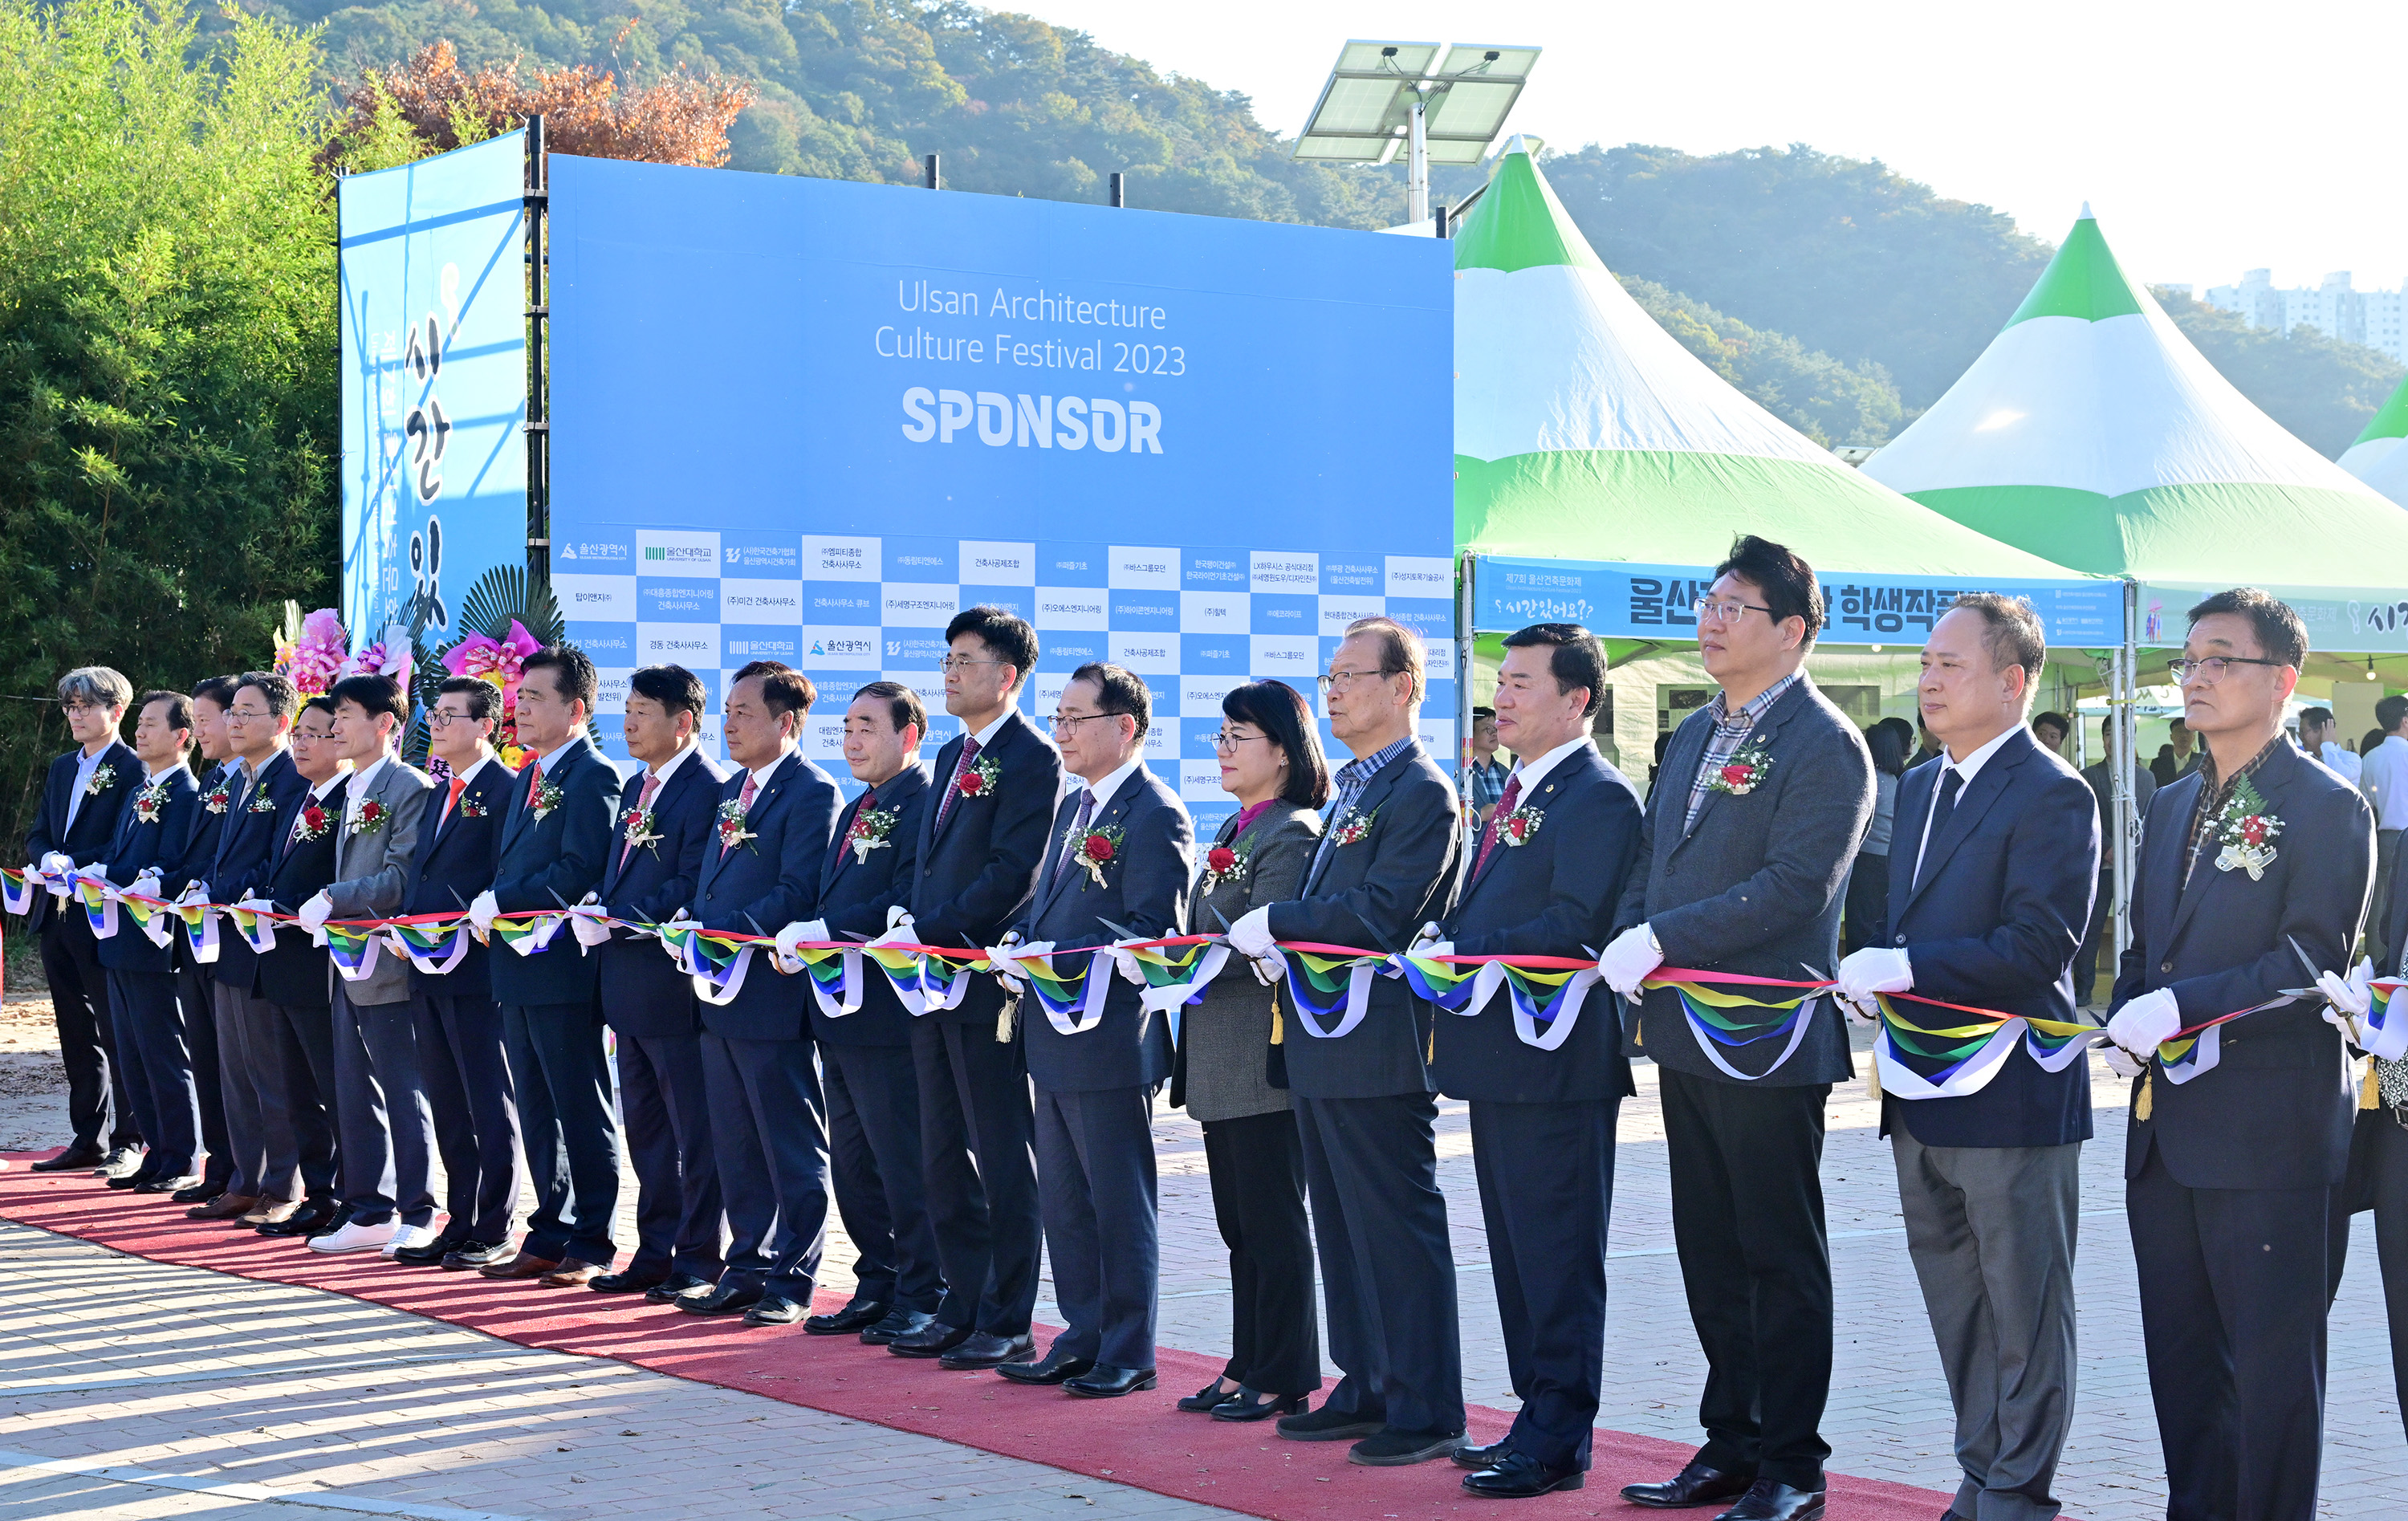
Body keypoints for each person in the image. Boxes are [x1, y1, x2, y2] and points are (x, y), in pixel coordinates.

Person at [1600, 536, 1873, 1521]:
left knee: (1777, 1252)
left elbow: (1798, 884)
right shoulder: (1692, 733)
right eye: (1708, 601)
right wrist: (1636, 929)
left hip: (1764, 1035)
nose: (1710, 620)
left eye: (1734, 606)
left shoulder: (1825, 742)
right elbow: (1655, 858)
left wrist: (1663, 933)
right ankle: (1731, 1441)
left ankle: (1793, 1463)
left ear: (1792, 630)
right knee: (1709, 1244)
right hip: (1685, 1028)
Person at [2102, 588, 2370, 1521]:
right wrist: (2125, 1012)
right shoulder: (2174, 801)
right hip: (2166, 1134)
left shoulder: (2329, 805)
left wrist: (2179, 1004)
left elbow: (2307, 959)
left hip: (2268, 1137)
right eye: (2190, 659)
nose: (2198, 676)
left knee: (2271, 1375)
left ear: (2283, 680)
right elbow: (2147, 948)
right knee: (2183, 1368)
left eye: (2223, 658)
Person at [1834, 596, 2098, 1521]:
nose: (1930, 679)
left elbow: (2038, 947)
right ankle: (1982, 1468)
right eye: (1927, 662)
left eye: (1951, 664)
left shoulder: (2055, 792)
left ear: (2013, 680)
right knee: (1958, 1304)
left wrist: (1906, 964)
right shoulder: (1923, 785)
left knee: (2025, 1308)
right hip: (1921, 1087)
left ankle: (2019, 1490)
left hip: (2011, 1092)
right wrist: (1878, 975)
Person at [1226, 616, 1466, 1468]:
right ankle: (1366, 1379)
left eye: (1351, 674)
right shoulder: (1359, 788)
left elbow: (1377, 915)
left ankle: (1428, 1403)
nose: (1332, 689)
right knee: (1342, 1224)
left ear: (1402, 687)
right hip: (1328, 1041)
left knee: (1396, 1226)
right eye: (1329, 675)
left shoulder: (1422, 791)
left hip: (1380, 1044)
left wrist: (1279, 917)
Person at [1426, 624, 1643, 1499]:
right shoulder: (1520, 790)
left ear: (1577, 699)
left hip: (1557, 1060)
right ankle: (1533, 1415)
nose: (1501, 698)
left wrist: (1462, 949)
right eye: (1500, 682)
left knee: (1556, 1254)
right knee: (1518, 1255)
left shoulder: (1597, 795)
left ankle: (1559, 1433)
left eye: (1521, 683)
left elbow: (1573, 926)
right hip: (1502, 1057)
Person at [989, 663, 1191, 1399]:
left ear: (1124, 726)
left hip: (1108, 1036)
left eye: (1076, 718)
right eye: (1059, 716)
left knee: (1117, 1199)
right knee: (1066, 1202)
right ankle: (1081, 1334)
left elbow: (1153, 932)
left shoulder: (1154, 811)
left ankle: (1130, 1347)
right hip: (1052, 1031)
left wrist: (1060, 957)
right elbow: (1046, 910)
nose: (1061, 731)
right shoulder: (1074, 805)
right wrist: (1016, 943)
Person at [882, 606, 1060, 1369]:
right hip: (930, 982)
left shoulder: (1031, 756)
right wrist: (906, 924)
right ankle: (961, 1300)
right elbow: (930, 867)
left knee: (1000, 1150)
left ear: (1008, 674)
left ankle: (1009, 1313)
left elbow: (1015, 870)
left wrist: (938, 931)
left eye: (965, 659)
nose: (950, 673)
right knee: (939, 1150)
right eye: (947, 659)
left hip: (984, 982)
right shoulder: (953, 753)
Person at [1170, 681, 1326, 1423]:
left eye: (1240, 735)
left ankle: (1287, 1370)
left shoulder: (1290, 830)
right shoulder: (1239, 827)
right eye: (1221, 734)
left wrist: (1181, 955)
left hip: (1260, 1057)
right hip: (1219, 1054)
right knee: (1239, 1224)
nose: (1224, 748)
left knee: (1272, 1221)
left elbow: (1264, 939)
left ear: (1285, 750)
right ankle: (1245, 1361)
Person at [776, 681, 943, 1344]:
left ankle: (924, 1289)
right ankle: (876, 1279)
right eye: (847, 726)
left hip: (888, 1015)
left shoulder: (923, 803)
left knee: (903, 1157)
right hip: (838, 1012)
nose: (851, 739)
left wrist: (822, 928)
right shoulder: (853, 809)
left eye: (867, 727)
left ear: (909, 735)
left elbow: (903, 898)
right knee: (853, 1159)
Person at [676, 661, 841, 1326]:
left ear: (787, 721)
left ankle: (793, 1276)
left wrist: (720, 932)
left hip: (769, 992)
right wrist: (693, 921)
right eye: (729, 711)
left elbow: (797, 891)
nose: (731, 723)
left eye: (746, 711)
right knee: (735, 1139)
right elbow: (714, 880)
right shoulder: (734, 790)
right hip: (718, 989)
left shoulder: (811, 791)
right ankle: (745, 1264)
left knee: (788, 1140)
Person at [470, 645, 624, 1284]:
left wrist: (502, 898)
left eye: (536, 697)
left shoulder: (593, 775)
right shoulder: (531, 773)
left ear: (577, 708)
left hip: (561, 968)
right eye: (520, 695)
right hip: (516, 965)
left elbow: (578, 868)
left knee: (578, 1104)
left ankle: (593, 1238)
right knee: (536, 1105)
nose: (520, 706)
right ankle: (551, 1227)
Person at [577, 665, 728, 1299]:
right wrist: (598, 901)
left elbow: (691, 880)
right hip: (626, 985)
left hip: (672, 986)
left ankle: (698, 1257)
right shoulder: (639, 784)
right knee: (647, 1129)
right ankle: (656, 1248)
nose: (629, 722)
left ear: (683, 721)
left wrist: (616, 916)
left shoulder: (708, 787)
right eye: (627, 709)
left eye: (642, 711)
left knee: (694, 1132)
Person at [395, 677, 520, 1270]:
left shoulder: (505, 789)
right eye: (434, 714)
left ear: (485, 725)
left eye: (450, 715)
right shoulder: (443, 789)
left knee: (487, 1101)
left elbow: (501, 875)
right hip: (426, 964)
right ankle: (461, 1218)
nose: (437, 725)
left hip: (475, 970)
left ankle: (494, 1224)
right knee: (447, 1100)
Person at [185, 673, 309, 1224]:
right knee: (234, 1066)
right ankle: (246, 1176)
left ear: (281, 722)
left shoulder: (290, 778)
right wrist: (203, 887)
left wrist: (224, 891)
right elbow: (224, 855)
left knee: (270, 1069)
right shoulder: (238, 777)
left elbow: (276, 862)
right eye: (231, 711)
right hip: (227, 936)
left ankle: (283, 1185)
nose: (233, 721)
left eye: (246, 712)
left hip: (265, 940)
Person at [22, 666, 143, 1175]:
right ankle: (85, 1135)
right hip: (55, 910)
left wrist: (79, 862)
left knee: (118, 1027)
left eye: (83, 706)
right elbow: (40, 830)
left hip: (104, 912)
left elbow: (126, 842)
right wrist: (47, 857)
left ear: (115, 711)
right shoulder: (60, 767)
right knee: (74, 1028)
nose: (74, 716)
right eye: (69, 707)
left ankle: (130, 1138)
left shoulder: (135, 767)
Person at [239, 696, 348, 1236]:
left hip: (317, 965)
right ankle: (319, 1191)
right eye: (299, 733)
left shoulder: (350, 800)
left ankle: (352, 1193)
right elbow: (273, 864)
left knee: (332, 1086)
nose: (301, 743)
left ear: (342, 739)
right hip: (278, 959)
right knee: (296, 1087)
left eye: (314, 733)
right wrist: (257, 894)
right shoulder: (299, 797)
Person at [88, 691, 202, 1194]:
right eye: (139, 723)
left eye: (152, 724)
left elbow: (176, 861)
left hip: (154, 938)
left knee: (162, 1050)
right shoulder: (140, 790)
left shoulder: (187, 794)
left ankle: (181, 1155)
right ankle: (157, 1151)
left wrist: (140, 878)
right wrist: (94, 872)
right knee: (131, 1051)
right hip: (119, 935)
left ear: (182, 736)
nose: (140, 732)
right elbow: (118, 853)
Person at [167, 676, 240, 1207]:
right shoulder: (214, 775)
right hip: (196, 932)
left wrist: (205, 886)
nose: (198, 728)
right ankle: (220, 1163)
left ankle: (243, 1169)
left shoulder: (261, 782)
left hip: (234, 936)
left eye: (205, 717)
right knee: (208, 1058)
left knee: (235, 1063)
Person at [2076, 717, 2158, 1007]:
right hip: (2102, 866)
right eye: (2109, 733)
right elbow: (2086, 818)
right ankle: (2083, 988)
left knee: (2141, 928)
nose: (2114, 740)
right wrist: (2108, 847)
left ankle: (2135, 988)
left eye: (2122, 734)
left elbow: (2150, 820)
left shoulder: (2146, 778)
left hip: (2135, 866)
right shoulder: (2089, 775)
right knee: (2091, 927)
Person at [1843, 722, 1909, 954]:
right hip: (1885, 861)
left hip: (1867, 862)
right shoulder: (1894, 780)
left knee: (1861, 923)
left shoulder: (1871, 780)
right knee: (1875, 922)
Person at [2360, 694, 2408, 966]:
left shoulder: (2370, 758)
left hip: (2383, 836)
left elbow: (2367, 801)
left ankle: (2378, 964)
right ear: (2404, 719)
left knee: (2381, 903)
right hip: (2405, 833)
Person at [1465, 707, 1507, 827]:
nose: (1494, 733)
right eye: (1488, 729)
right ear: (1470, 734)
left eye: (1496, 728)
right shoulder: (1458, 774)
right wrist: (1481, 814)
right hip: (1472, 844)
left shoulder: (1508, 774)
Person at [2301, 706, 2361, 784]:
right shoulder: (2307, 762)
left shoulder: (2351, 758)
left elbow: (2339, 778)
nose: (2301, 737)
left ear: (2323, 730)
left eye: (2303, 732)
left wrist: (2327, 744)